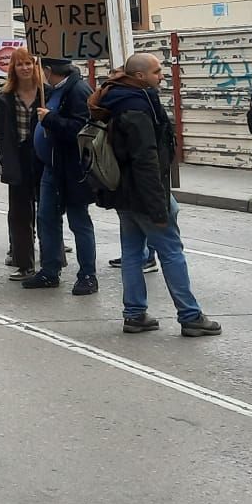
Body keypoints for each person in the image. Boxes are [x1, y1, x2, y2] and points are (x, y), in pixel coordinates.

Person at [92, 54, 221, 337]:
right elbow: (146, 159)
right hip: (144, 193)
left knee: (131, 253)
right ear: (140, 76)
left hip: (122, 192)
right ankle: (190, 316)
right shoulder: (137, 106)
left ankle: (135, 314)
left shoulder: (119, 99)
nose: (162, 76)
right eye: (157, 71)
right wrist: (158, 208)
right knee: (171, 251)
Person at [27, 57, 99, 295]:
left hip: (72, 169)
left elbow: (82, 129)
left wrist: (50, 119)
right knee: (46, 218)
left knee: (79, 221)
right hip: (52, 167)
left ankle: (88, 275)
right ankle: (49, 270)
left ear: (48, 70)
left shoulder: (78, 90)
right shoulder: (53, 90)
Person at [0, 48, 43, 281]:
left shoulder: (46, 93)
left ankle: (53, 260)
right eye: (20, 64)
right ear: (13, 69)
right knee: (20, 214)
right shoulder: (6, 98)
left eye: (28, 63)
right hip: (18, 157)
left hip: (43, 156)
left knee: (47, 212)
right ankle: (24, 263)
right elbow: (1, 132)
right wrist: (5, 159)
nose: (25, 68)